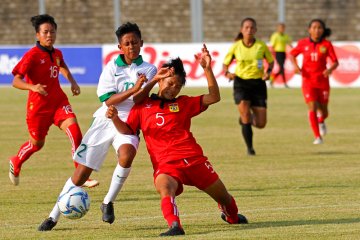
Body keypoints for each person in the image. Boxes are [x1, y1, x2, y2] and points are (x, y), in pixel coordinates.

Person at [106, 44, 248, 236]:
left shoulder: (184, 103)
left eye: (177, 86)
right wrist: (115, 118)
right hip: (166, 165)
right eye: (170, 83)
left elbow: (214, 97)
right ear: (160, 81)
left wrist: (207, 68)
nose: (173, 89)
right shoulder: (143, 106)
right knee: (165, 188)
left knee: (225, 199)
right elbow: (128, 131)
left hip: (195, 161)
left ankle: (230, 215)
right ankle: (175, 225)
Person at [38, 22, 162, 231]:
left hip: (128, 121)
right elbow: (109, 100)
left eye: (134, 42)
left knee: (127, 155)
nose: (131, 46)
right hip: (105, 119)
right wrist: (134, 89)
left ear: (142, 43)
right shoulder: (111, 68)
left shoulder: (149, 68)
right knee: (81, 175)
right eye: (126, 43)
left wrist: (142, 87)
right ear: (119, 47)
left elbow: (140, 100)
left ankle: (107, 202)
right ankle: (53, 216)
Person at [8, 14, 98, 188]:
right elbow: (15, 80)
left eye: (52, 31)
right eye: (45, 32)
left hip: (58, 102)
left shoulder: (57, 53)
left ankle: (82, 176)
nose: (50, 35)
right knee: (36, 144)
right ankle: (16, 160)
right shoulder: (32, 55)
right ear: (38, 35)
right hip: (38, 108)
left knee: (76, 133)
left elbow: (61, 64)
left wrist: (72, 81)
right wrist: (32, 87)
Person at [223, 17, 274, 156]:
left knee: (261, 123)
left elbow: (271, 62)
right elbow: (225, 64)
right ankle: (250, 149)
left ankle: (245, 119)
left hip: (258, 84)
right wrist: (227, 73)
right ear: (242, 30)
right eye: (246, 27)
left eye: (252, 27)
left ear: (256, 30)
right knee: (245, 113)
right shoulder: (236, 46)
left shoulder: (261, 46)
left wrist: (268, 73)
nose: (249, 30)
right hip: (241, 83)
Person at [289, 19, 338, 144]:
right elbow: (292, 55)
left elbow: (336, 62)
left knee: (324, 111)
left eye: (319, 28)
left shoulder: (327, 45)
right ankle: (317, 137)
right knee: (312, 107)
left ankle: (321, 121)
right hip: (308, 81)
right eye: (314, 27)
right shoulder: (302, 43)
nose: (317, 30)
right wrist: (295, 66)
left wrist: (330, 69)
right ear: (309, 30)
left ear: (323, 30)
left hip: (322, 81)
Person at [269, 23, 292, 88]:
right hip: (278, 53)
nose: (282, 29)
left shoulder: (285, 36)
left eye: (283, 28)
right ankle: (285, 83)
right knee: (281, 68)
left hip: (283, 53)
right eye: (280, 28)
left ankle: (272, 80)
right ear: (278, 28)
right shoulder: (275, 35)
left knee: (281, 69)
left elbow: (289, 43)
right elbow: (272, 45)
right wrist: (271, 54)